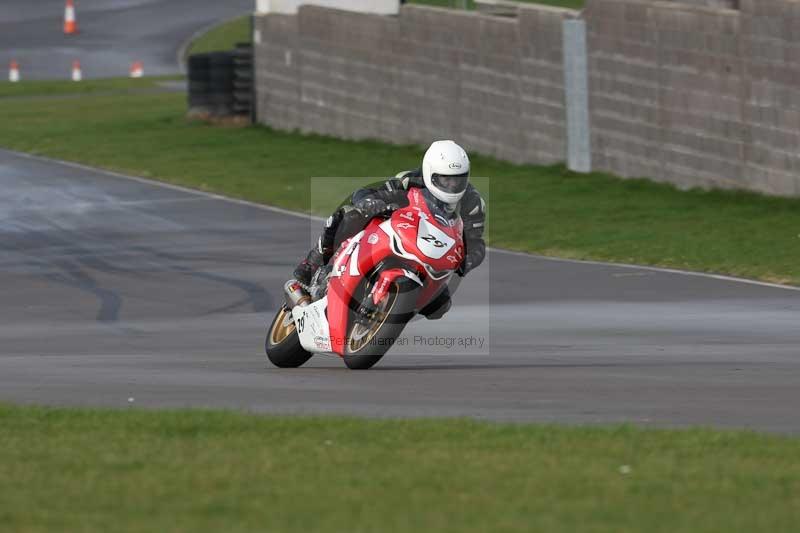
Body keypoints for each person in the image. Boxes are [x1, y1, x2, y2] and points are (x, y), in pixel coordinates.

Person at [293, 140, 486, 319]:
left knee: (440, 306)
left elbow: (476, 243)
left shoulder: (473, 202)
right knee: (350, 215)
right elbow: (367, 192)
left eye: (458, 180)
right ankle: (314, 262)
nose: (452, 186)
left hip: (433, 256)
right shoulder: (410, 180)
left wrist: (466, 262)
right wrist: (370, 202)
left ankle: (390, 315)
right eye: (445, 179)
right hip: (401, 232)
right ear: (429, 173)